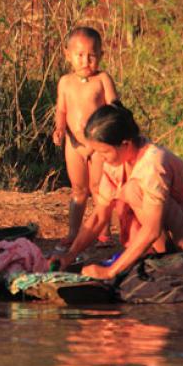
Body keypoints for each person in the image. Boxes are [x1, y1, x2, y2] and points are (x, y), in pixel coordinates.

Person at [56, 102, 183, 281]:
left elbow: (152, 229)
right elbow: (99, 216)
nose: (100, 158)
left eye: (104, 152)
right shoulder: (114, 164)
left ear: (125, 144)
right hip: (173, 232)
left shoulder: (153, 163)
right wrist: (70, 255)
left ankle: (168, 256)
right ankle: (161, 254)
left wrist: (111, 271)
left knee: (133, 190)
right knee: (128, 192)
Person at [52, 26, 118, 250]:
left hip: (99, 145)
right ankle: (73, 233)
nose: (85, 61)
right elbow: (61, 110)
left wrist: (111, 130)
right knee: (78, 191)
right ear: (68, 55)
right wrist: (59, 129)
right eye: (79, 55)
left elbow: (113, 106)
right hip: (74, 144)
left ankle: (104, 232)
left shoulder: (102, 79)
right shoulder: (65, 82)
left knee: (100, 188)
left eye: (91, 56)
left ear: (101, 55)